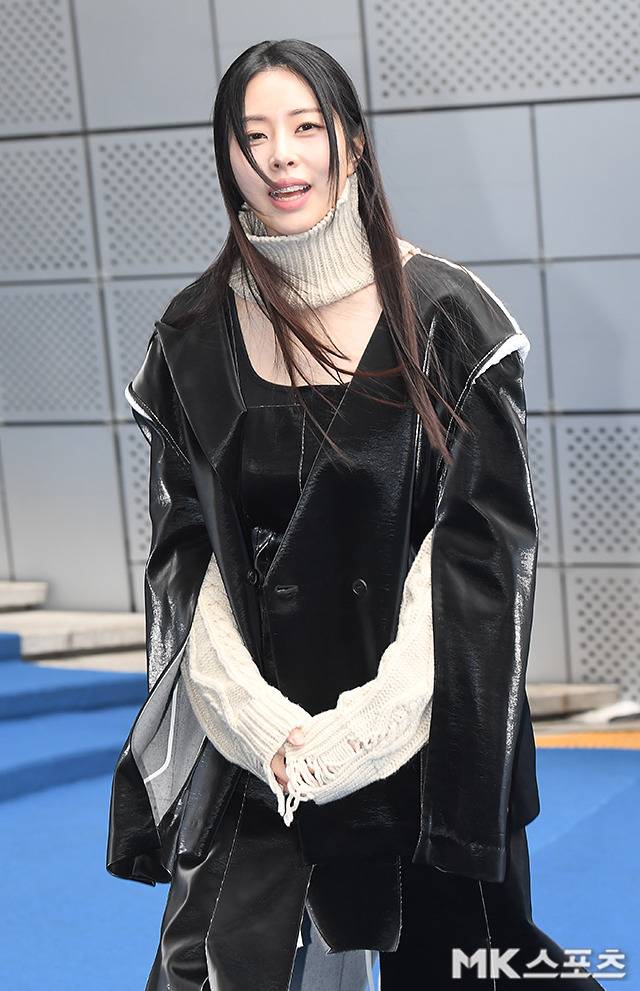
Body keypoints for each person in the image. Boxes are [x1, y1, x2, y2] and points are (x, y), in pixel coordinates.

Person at [106, 38, 605, 991]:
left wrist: (362, 734)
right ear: (226, 156)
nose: (280, 156)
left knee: (468, 967)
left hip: (425, 736)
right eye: (252, 135)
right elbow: (190, 565)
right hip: (259, 753)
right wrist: (266, 730)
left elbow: (474, 559)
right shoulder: (189, 338)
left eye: (305, 127)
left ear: (354, 143)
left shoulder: (449, 317)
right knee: (211, 967)